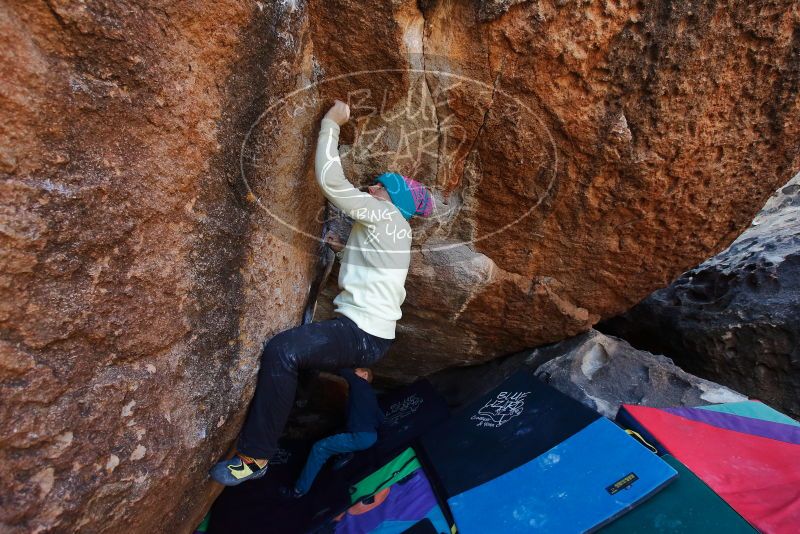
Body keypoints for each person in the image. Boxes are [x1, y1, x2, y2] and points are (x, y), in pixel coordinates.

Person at [210, 100, 434, 486]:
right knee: (305, 360)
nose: (370, 186)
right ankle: (290, 403)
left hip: (361, 335)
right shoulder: (399, 229)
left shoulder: (383, 213)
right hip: (371, 337)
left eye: (378, 184)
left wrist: (331, 123)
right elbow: (377, 266)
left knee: (285, 351)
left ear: (390, 196)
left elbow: (332, 183)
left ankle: (254, 458)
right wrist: (342, 250)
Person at [281, 367, 384, 498]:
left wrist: (327, 356)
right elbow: (381, 418)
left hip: (360, 436)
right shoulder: (370, 396)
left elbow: (344, 370)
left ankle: (298, 490)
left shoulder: (360, 383)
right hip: (369, 437)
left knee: (319, 448)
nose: (354, 372)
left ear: (364, 375)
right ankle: (345, 452)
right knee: (338, 431)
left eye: (356, 370)